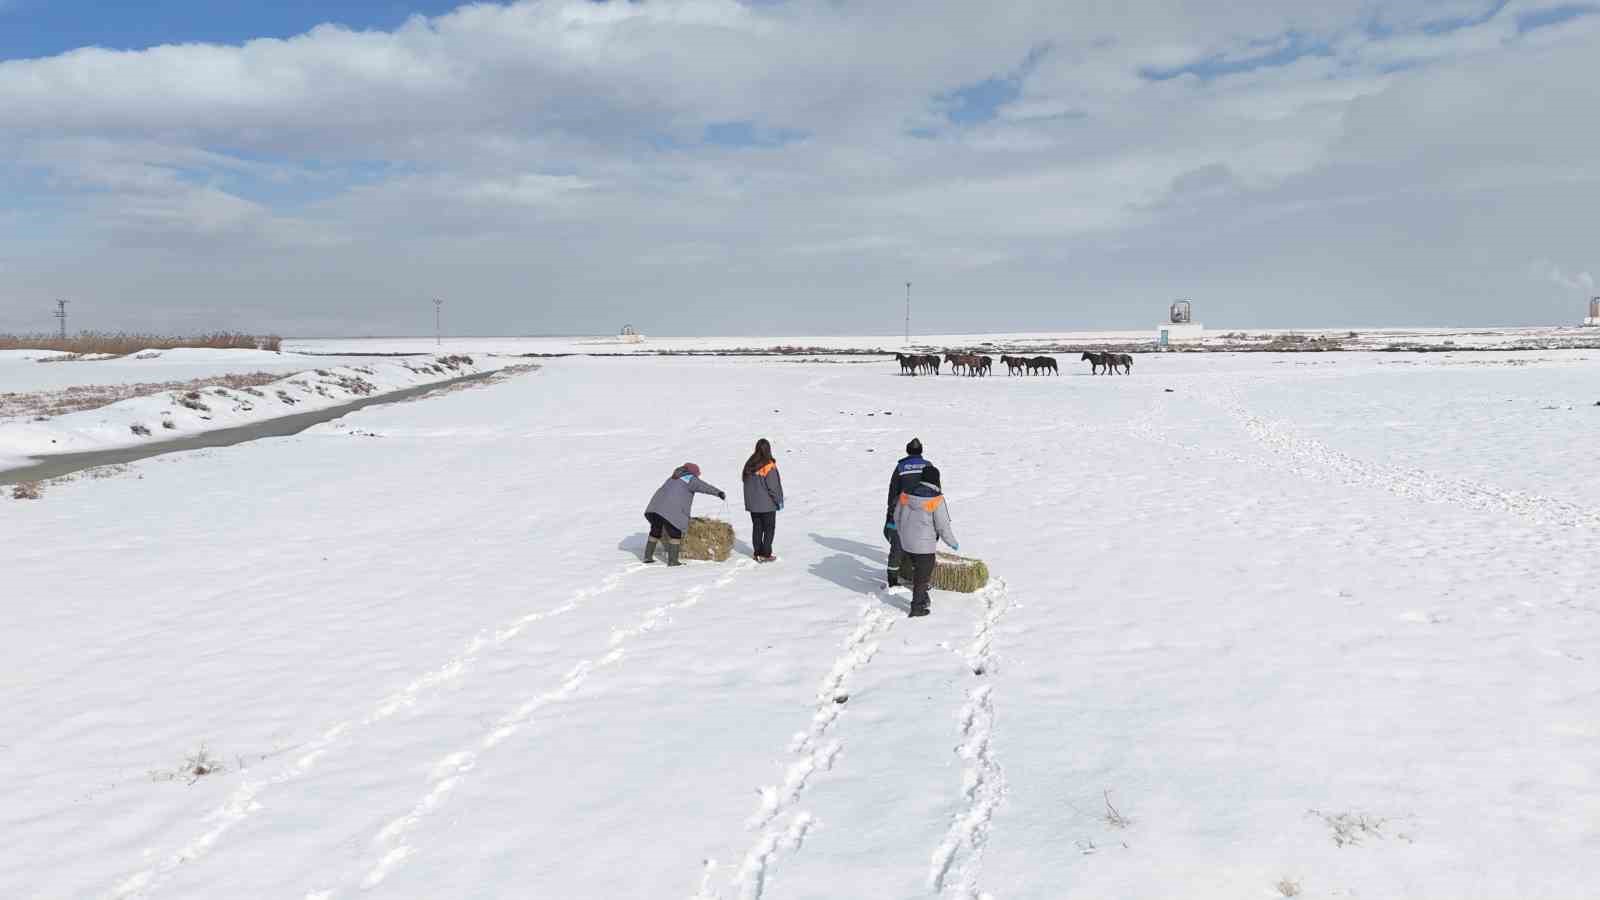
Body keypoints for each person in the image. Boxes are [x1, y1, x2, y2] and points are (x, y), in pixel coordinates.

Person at [893, 474, 959, 618]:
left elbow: (896, 517)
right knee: (922, 578)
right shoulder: (936, 500)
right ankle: (916, 608)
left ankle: (923, 598)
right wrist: (952, 543)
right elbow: (943, 527)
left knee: (916, 571)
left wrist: (902, 533)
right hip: (924, 547)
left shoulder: (905, 494)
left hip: (907, 543)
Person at [643, 462, 725, 566]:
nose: (697, 477)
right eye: (697, 474)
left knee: (655, 530)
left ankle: (647, 556)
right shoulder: (690, 478)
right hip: (669, 511)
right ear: (693, 473)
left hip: (654, 508)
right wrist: (719, 493)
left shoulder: (674, 477)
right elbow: (704, 487)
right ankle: (673, 561)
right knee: (675, 533)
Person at [884, 438, 940, 587]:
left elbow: (893, 491)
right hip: (924, 513)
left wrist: (890, 515)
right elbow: (936, 491)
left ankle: (892, 580)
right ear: (921, 451)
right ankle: (921, 581)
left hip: (903, 510)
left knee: (897, 546)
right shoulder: (928, 466)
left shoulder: (901, 467)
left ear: (908, 450)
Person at [741, 438, 784, 562]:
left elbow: (746, 484)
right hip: (767, 505)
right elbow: (773, 487)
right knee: (769, 529)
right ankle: (766, 553)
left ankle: (757, 552)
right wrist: (778, 501)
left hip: (753, 505)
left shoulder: (749, 464)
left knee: (757, 527)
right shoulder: (769, 465)